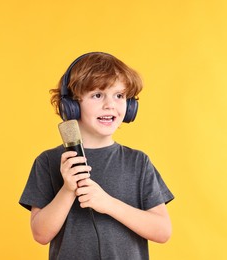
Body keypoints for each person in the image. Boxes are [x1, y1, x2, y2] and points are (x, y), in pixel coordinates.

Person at [19, 52, 174, 260]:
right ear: (71, 105)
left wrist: (109, 204)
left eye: (119, 96)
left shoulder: (138, 162)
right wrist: (67, 190)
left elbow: (163, 231)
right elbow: (40, 234)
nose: (110, 104)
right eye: (98, 95)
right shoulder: (48, 162)